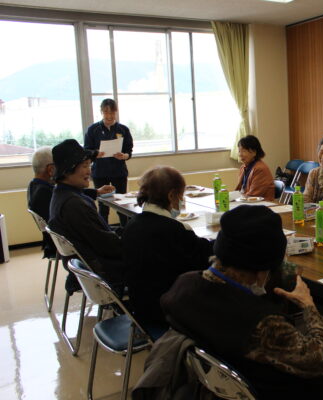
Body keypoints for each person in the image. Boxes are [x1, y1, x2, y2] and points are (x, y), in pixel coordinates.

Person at [161, 206, 323, 400]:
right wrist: (308, 305)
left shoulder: (183, 284)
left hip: (214, 373)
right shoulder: (264, 324)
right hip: (266, 388)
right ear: (261, 272)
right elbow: (322, 360)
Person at [122, 166, 213, 328]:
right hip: (170, 312)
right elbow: (205, 260)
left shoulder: (131, 225)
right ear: (171, 195)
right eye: (181, 195)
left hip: (141, 309)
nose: (181, 200)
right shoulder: (174, 230)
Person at [48, 139, 125, 287]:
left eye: (89, 165)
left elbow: (99, 234)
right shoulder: (74, 205)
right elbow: (108, 246)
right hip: (108, 270)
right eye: (84, 166)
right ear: (67, 170)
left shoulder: (62, 195)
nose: (89, 171)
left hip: (95, 262)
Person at [84, 98, 133, 226]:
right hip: (100, 172)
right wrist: (96, 153)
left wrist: (124, 156)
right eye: (106, 112)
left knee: (122, 204)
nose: (109, 116)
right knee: (103, 206)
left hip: (119, 172)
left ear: (116, 112)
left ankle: (125, 230)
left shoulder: (123, 129)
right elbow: (86, 150)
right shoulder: (92, 129)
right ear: (101, 112)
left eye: (112, 112)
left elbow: (129, 150)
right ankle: (104, 231)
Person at [27, 147, 57, 259]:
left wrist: (95, 192)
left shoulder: (34, 185)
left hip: (51, 242)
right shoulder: (45, 192)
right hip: (58, 244)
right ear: (50, 169)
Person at [234, 135, 275, 201]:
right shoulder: (243, 167)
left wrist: (236, 199)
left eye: (244, 151)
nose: (240, 154)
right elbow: (239, 191)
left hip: (262, 204)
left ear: (254, 152)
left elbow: (253, 196)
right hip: (247, 201)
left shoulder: (260, 169)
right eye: (239, 151)